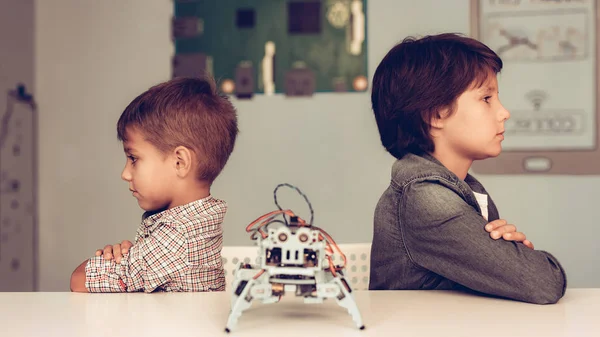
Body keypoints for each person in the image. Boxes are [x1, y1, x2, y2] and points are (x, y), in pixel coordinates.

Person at [368, 33, 566, 304]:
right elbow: (543, 283)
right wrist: (520, 259)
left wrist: (510, 258)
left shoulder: (458, 187)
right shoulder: (427, 198)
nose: (504, 112)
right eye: (486, 98)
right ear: (436, 114)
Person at [70, 76, 238, 292]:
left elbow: (79, 281)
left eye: (133, 158)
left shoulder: (177, 237)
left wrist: (116, 262)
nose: (125, 174)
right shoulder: (195, 223)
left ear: (180, 162)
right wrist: (128, 257)